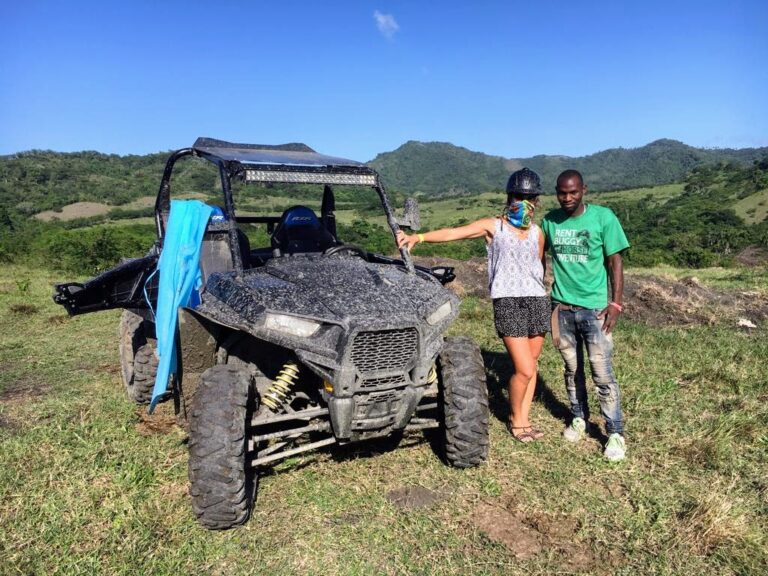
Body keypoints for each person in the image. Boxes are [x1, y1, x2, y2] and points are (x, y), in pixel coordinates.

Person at [397, 168, 549, 443]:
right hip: (509, 301)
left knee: (533, 365)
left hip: (537, 300)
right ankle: (518, 421)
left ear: (536, 200)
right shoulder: (495, 226)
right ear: (509, 196)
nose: (523, 201)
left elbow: (538, 266)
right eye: (518, 195)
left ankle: (525, 417)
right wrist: (418, 238)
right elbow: (456, 232)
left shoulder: (538, 233)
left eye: (529, 197)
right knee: (524, 368)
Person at [541, 169, 630, 461]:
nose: (567, 198)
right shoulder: (550, 221)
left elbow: (615, 262)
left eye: (573, 192)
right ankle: (579, 418)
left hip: (594, 310)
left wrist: (615, 304)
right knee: (571, 369)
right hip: (562, 309)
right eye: (562, 193)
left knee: (602, 373)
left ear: (584, 190)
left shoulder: (604, 218)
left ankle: (615, 432)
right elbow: (537, 253)